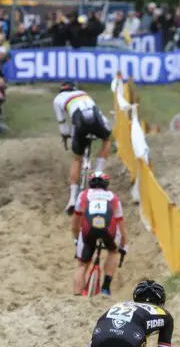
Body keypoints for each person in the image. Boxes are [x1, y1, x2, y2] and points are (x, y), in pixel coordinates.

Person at [52, 81, 112, 215]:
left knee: (77, 159)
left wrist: (67, 136)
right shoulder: (84, 94)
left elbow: (63, 126)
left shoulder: (57, 100)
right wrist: (107, 131)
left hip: (79, 122)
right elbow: (100, 116)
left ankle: (72, 199)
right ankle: (98, 172)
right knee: (107, 140)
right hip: (95, 119)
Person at [72, 173, 127, 296]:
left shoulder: (84, 194)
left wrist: (76, 237)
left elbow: (75, 222)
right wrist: (123, 245)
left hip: (88, 231)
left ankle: (76, 297)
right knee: (113, 251)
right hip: (108, 231)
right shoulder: (113, 197)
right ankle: (106, 287)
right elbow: (121, 225)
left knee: (81, 265)